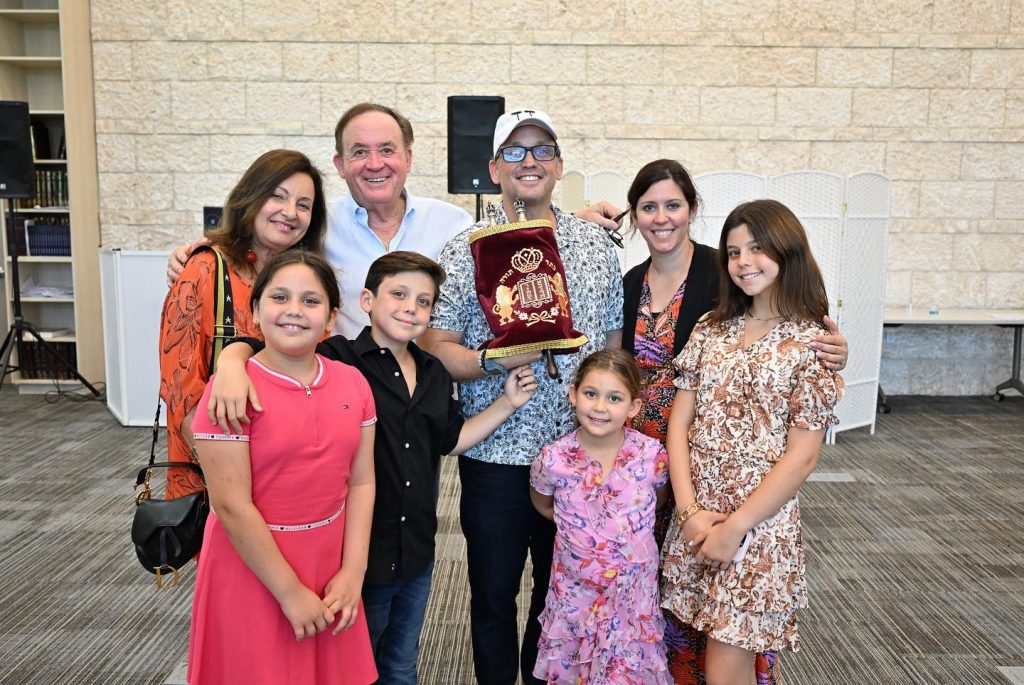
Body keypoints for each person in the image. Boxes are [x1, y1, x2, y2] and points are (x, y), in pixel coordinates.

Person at [205, 251, 538, 684]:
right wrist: (231, 361)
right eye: (398, 294)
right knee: (354, 664)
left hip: (416, 546)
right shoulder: (339, 359)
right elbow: (276, 343)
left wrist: (507, 403)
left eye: (423, 301)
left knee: (401, 662)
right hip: (357, 549)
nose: (410, 308)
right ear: (366, 300)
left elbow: (451, 440)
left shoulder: (435, 372)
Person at [618, 159, 848, 684]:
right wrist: (692, 512)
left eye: (758, 248)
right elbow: (681, 422)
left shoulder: (810, 340)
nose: (745, 261)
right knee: (681, 640)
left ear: (787, 251)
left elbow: (804, 453)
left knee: (728, 662)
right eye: (737, 250)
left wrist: (736, 526)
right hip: (692, 509)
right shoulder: (713, 327)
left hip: (756, 524)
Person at [420, 108, 624, 685]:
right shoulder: (466, 249)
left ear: (559, 165)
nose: (528, 160)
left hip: (577, 456)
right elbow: (437, 344)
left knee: (558, 598)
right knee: (491, 596)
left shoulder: (594, 248)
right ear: (493, 168)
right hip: (494, 455)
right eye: (514, 151)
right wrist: (492, 360)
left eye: (541, 149)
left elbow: (611, 348)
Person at [166, 102, 615, 336]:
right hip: (338, 399)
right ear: (340, 164)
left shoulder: (451, 224)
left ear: (407, 158)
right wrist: (205, 250)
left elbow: (506, 242)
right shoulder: (316, 225)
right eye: (360, 152)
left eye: (387, 150)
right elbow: (264, 245)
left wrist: (572, 220)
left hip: (418, 405)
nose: (374, 163)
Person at [187, 250, 377, 684]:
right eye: (280, 297)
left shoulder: (352, 382)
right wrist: (290, 593)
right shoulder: (229, 392)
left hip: (329, 561)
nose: (294, 310)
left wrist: (353, 572)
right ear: (255, 312)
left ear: (331, 318)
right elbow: (232, 506)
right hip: (252, 566)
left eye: (311, 301)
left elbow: (363, 482)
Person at [158, 149, 326, 499]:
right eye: (277, 196)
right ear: (250, 198)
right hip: (214, 473)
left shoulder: (306, 282)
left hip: (289, 471)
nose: (290, 212)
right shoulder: (204, 270)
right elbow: (181, 391)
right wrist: (233, 479)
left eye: (304, 204)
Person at [529, 349, 672, 684]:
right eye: (590, 394)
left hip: (632, 598)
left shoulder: (651, 456)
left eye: (614, 398)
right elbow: (543, 504)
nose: (599, 407)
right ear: (573, 394)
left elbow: (658, 502)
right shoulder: (553, 459)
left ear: (633, 407)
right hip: (576, 596)